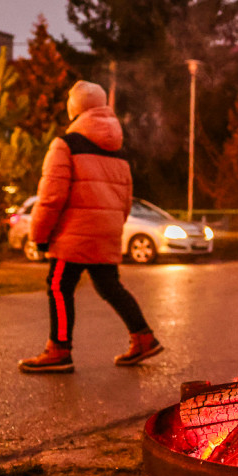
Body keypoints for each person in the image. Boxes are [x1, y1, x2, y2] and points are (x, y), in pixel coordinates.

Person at [19, 81, 163, 373]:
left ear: (74, 108)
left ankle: (59, 349)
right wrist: (112, 227)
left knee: (59, 286)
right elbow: (125, 201)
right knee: (110, 286)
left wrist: (40, 235)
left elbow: (51, 197)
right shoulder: (118, 152)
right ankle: (143, 337)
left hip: (72, 233)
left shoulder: (66, 145)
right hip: (105, 232)